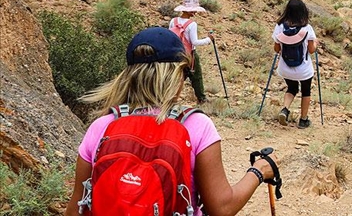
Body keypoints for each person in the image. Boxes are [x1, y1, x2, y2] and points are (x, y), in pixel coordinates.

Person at [65, 27, 277, 216]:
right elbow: (222, 207)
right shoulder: (196, 126)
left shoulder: (103, 126)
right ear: (176, 75)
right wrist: (259, 171)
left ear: (129, 75)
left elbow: (76, 209)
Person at [272, 0, 318, 129]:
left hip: (285, 67)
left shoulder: (280, 26)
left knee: (292, 88)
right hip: (303, 69)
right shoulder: (307, 28)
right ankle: (303, 120)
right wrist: (315, 43)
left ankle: (285, 109)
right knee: (306, 91)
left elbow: (276, 49)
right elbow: (311, 50)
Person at [170, 0, 214, 103]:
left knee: (176, 76)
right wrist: (209, 39)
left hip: (175, 53)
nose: (195, 12)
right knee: (196, 76)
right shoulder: (191, 24)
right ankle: (201, 98)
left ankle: (169, 97)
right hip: (189, 55)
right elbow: (194, 42)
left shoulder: (173, 21)